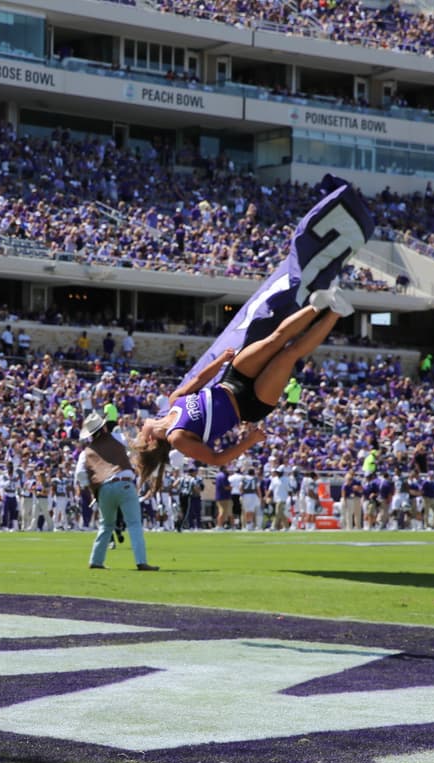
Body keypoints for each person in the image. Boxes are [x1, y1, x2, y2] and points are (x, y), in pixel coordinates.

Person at [132, 175, 372, 484]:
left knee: (275, 339)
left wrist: (220, 362)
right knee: (289, 354)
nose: (141, 427)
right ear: (152, 440)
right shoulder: (178, 438)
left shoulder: (173, 400)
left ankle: (318, 304)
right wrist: (249, 442)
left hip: (232, 380)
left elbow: (199, 379)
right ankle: (336, 312)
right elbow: (217, 459)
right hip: (249, 405)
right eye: (141, 433)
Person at [77, 412, 157, 571]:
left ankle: (96, 560)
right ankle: (141, 561)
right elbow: (137, 445)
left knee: (106, 525)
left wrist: (93, 489)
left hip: (104, 488)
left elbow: (80, 475)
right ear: (104, 426)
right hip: (125, 484)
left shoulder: (85, 453)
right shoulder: (117, 437)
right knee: (134, 524)